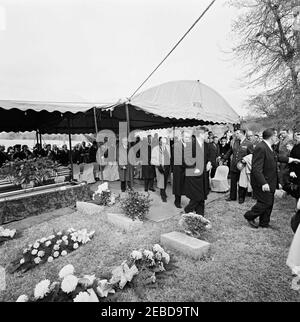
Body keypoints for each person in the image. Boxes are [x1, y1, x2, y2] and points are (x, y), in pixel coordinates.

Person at [244, 128, 300, 229]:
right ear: (271, 137)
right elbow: (256, 168)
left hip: (270, 180)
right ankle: (249, 216)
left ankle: (264, 223)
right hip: (263, 181)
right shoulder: (261, 147)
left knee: (270, 202)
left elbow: (276, 157)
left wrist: (291, 159)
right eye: (275, 135)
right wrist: (263, 183)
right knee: (265, 202)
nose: (277, 137)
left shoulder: (269, 146)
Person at [183, 126, 212, 216]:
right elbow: (186, 161)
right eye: (207, 134)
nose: (208, 136)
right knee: (197, 197)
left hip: (203, 176)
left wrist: (209, 162)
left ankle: (200, 216)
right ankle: (188, 210)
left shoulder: (207, 145)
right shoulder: (190, 145)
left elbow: (209, 157)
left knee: (202, 197)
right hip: (194, 177)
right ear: (201, 134)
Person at [222, 129, 254, 203]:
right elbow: (230, 151)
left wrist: (245, 161)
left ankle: (241, 197)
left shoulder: (249, 143)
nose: (235, 135)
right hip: (233, 165)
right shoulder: (234, 142)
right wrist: (223, 159)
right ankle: (232, 196)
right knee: (233, 182)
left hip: (242, 166)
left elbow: (251, 155)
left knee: (242, 182)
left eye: (237, 133)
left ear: (241, 134)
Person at [172, 130, 191, 208]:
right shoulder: (177, 145)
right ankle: (177, 202)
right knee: (178, 186)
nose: (187, 139)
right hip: (179, 169)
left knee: (186, 186)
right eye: (186, 137)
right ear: (182, 137)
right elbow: (179, 159)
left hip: (186, 168)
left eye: (188, 137)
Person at [151, 136, 171, 202]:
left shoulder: (168, 147)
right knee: (161, 180)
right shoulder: (155, 149)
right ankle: (163, 195)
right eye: (161, 141)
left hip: (167, 166)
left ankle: (163, 192)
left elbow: (169, 157)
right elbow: (152, 160)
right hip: (159, 166)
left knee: (165, 180)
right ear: (159, 141)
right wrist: (158, 165)